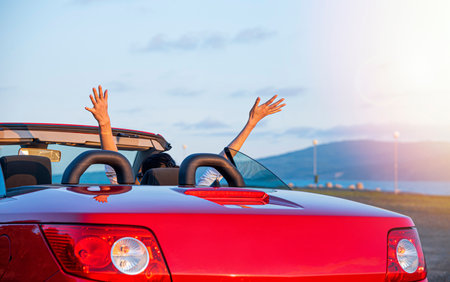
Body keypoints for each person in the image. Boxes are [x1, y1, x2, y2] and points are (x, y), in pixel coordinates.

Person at [85, 85, 285, 185]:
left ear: (140, 176)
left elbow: (114, 164)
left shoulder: (130, 196)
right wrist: (251, 123)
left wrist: (105, 123)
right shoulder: (194, 195)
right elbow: (221, 162)